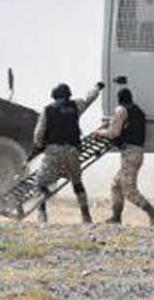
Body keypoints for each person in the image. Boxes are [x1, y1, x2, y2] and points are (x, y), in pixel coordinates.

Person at [31, 82, 104, 224]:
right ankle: (86, 216)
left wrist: (40, 146)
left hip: (54, 151)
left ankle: (42, 215)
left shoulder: (47, 110)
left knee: (40, 183)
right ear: (68, 95)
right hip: (73, 150)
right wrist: (97, 88)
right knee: (77, 183)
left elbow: (38, 134)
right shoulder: (75, 106)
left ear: (54, 96)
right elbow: (89, 98)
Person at [103, 87, 154, 226]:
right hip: (136, 153)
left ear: (119, 99)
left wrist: (100, 133)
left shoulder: (121, 110)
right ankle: (116, 217)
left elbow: (113, 132)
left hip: (130, 153)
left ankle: (153, 213)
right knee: (116, 184)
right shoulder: (138, 111)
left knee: (129, 189)